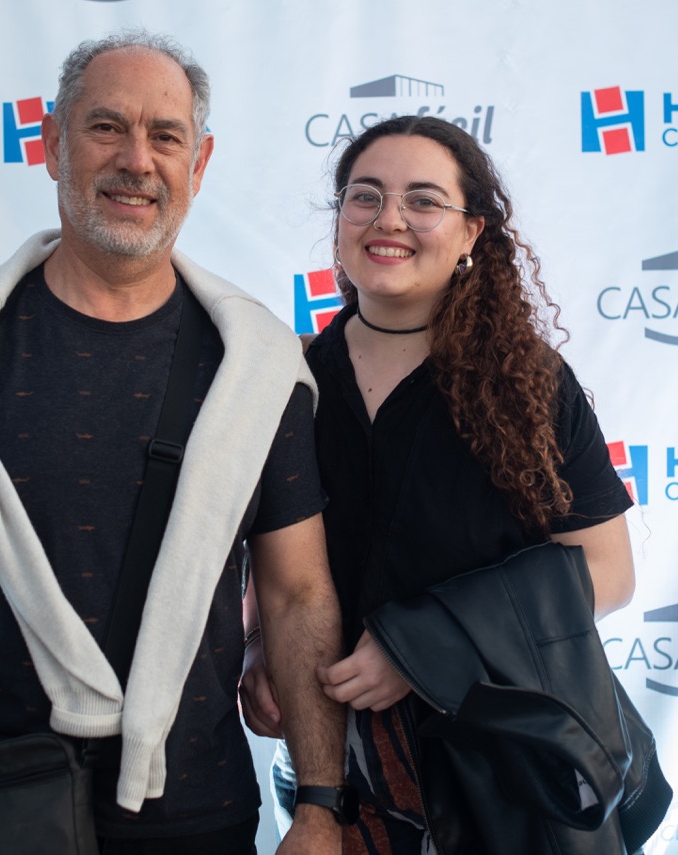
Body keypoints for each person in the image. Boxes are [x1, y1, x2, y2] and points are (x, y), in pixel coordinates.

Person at [0, 31, 345, 855]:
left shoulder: (257, 365)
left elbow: (297, 595)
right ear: (51, 144)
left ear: (199, 163)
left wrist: (320, 803)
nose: (137, 160)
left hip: (201, 816)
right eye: (106, 127)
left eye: (166, 136)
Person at [240, 115, 640, 853]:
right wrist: (260, 642)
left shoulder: (529, 385)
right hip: (328, 780)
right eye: (365, 196)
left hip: (499, 779)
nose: (389, 219)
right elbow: (280, 557)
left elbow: (609, 572)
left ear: (470, 234)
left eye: (423, 201)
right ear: (339, 222)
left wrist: (422, 646)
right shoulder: (292, 380)